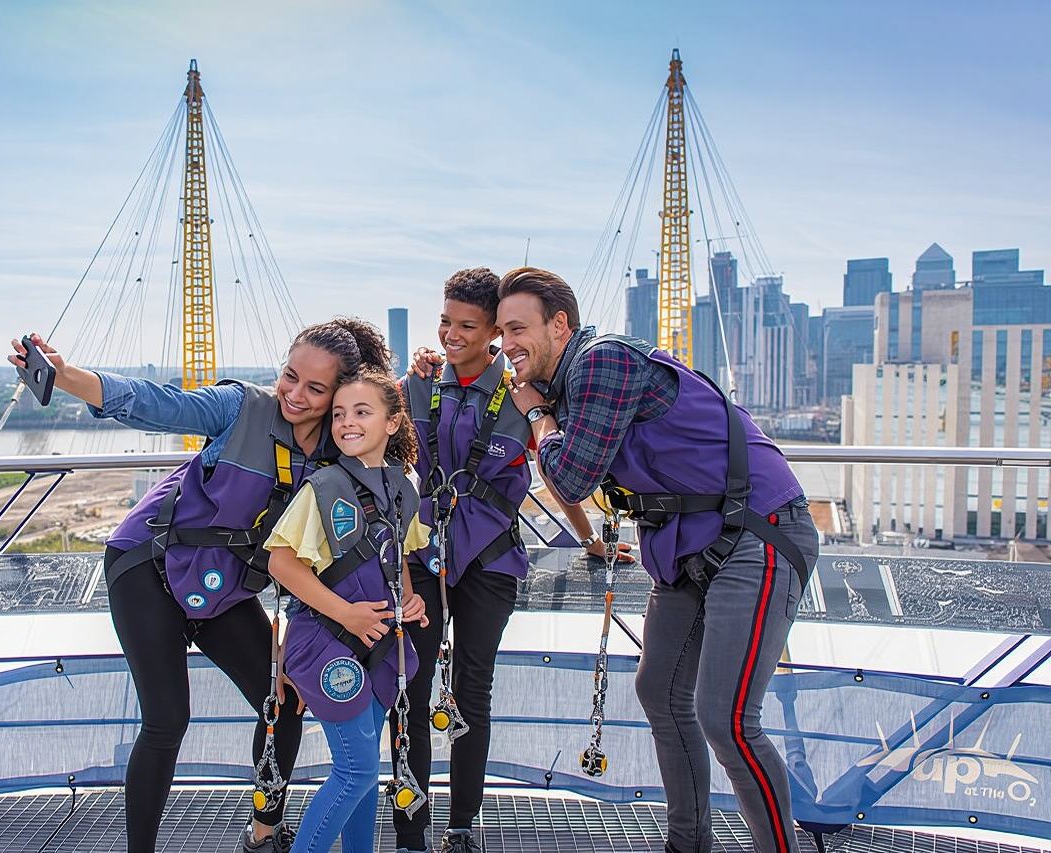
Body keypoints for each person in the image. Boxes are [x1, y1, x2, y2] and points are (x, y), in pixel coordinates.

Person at [8, 318, 392, 853]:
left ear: (337, 396)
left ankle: (263, 834)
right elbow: (157, 402)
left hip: (224, 591)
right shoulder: (242, 408)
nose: (295, 395)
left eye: (316, 388)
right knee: (167, 719)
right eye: (290, 376)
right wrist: (66, 375)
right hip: (149, 565)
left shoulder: (338, 453)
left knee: (279, 704)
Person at [492, 267, 820, 853]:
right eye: (501, 333)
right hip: (688, 545)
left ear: (560, 325)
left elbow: (570, 476)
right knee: (661, 692)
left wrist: (538, 415)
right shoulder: (572, 384)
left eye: (518, 328)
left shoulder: (602, 361)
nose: (508, 344)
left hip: (755, 531)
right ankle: (686, 844)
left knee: (728, 718)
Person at [397, 267, 632, 853]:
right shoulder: (419, 384)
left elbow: (559, 474)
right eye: (445, 322)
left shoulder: (525, 392)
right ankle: (411, 830)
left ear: (495, 332)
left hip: (491, 561)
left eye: (468, 325)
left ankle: (462, 827)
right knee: (411, 687)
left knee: (473, 689)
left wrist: (590, 541)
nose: (452, 334)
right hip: (423, 555)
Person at [265, 368, 431, 853]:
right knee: (356, 768)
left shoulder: (404, 487)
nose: (346, 423)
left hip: (376, 642)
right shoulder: (324, 487)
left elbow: (395, 554)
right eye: (339, 414)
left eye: (362, 412)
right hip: (327, 641)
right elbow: (282, 562)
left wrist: (409, 597)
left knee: (365, 771)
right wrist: (347, 615)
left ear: (393, 422)